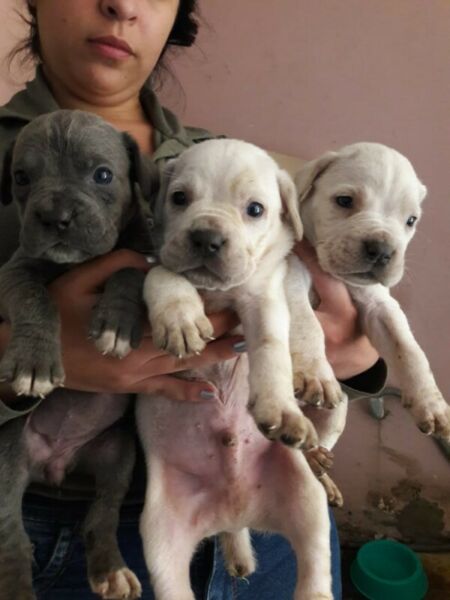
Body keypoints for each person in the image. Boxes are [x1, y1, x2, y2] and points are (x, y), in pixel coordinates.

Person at [0, 2, 386, 598]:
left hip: (270, 489)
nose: (122, 5)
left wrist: (357, 356)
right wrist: (27, 353)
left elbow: (336, 308)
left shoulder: (223, 157)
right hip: (51, 522)